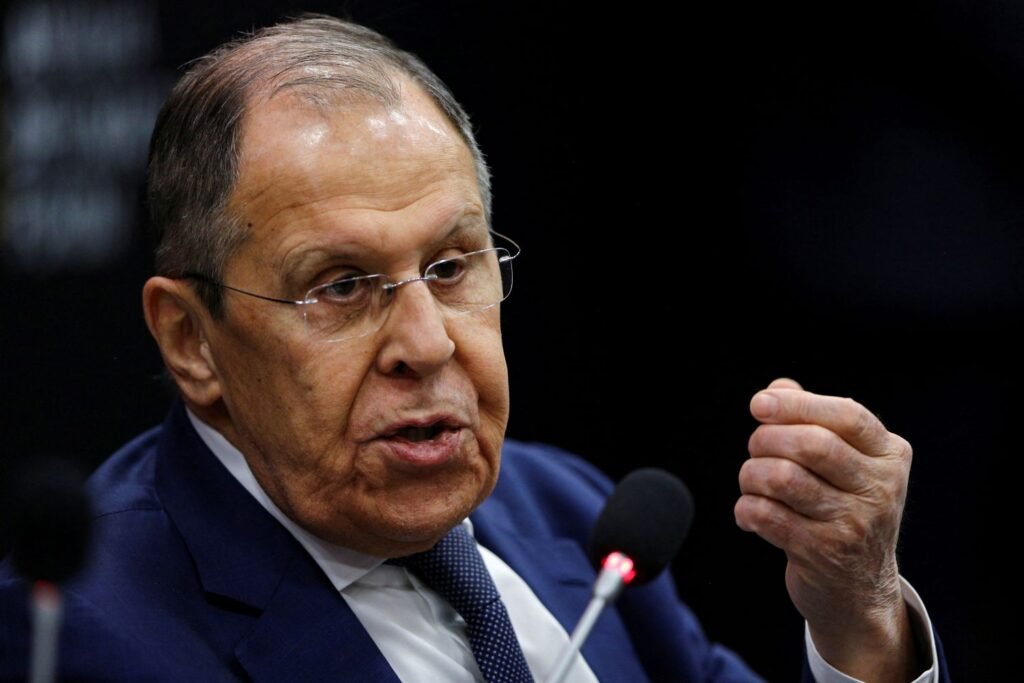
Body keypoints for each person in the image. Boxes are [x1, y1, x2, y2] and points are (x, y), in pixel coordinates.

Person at [0, 14, 948, 682]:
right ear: (192, 340)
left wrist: (860, 628)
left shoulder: (567, 512)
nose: (426, 343)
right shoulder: (80, 633)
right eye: (341, 286)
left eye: (452, 266)